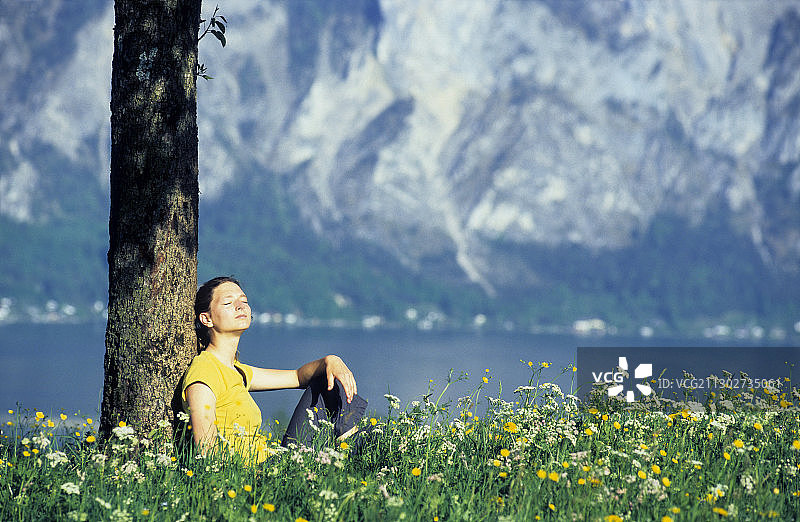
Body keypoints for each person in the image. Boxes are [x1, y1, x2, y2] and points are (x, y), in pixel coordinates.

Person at [181, 276, 368, 463]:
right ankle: (357, 454)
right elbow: (206, 450)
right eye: (228, 303)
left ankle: (352, 448)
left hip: (272, 460)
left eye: (244, 301)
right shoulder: (204, 373)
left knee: (326, 378)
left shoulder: (238, 371)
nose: (240, 306)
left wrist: (331, 361)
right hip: (256, 474)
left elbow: (298, 377)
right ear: (207, 319)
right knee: (329, 387)